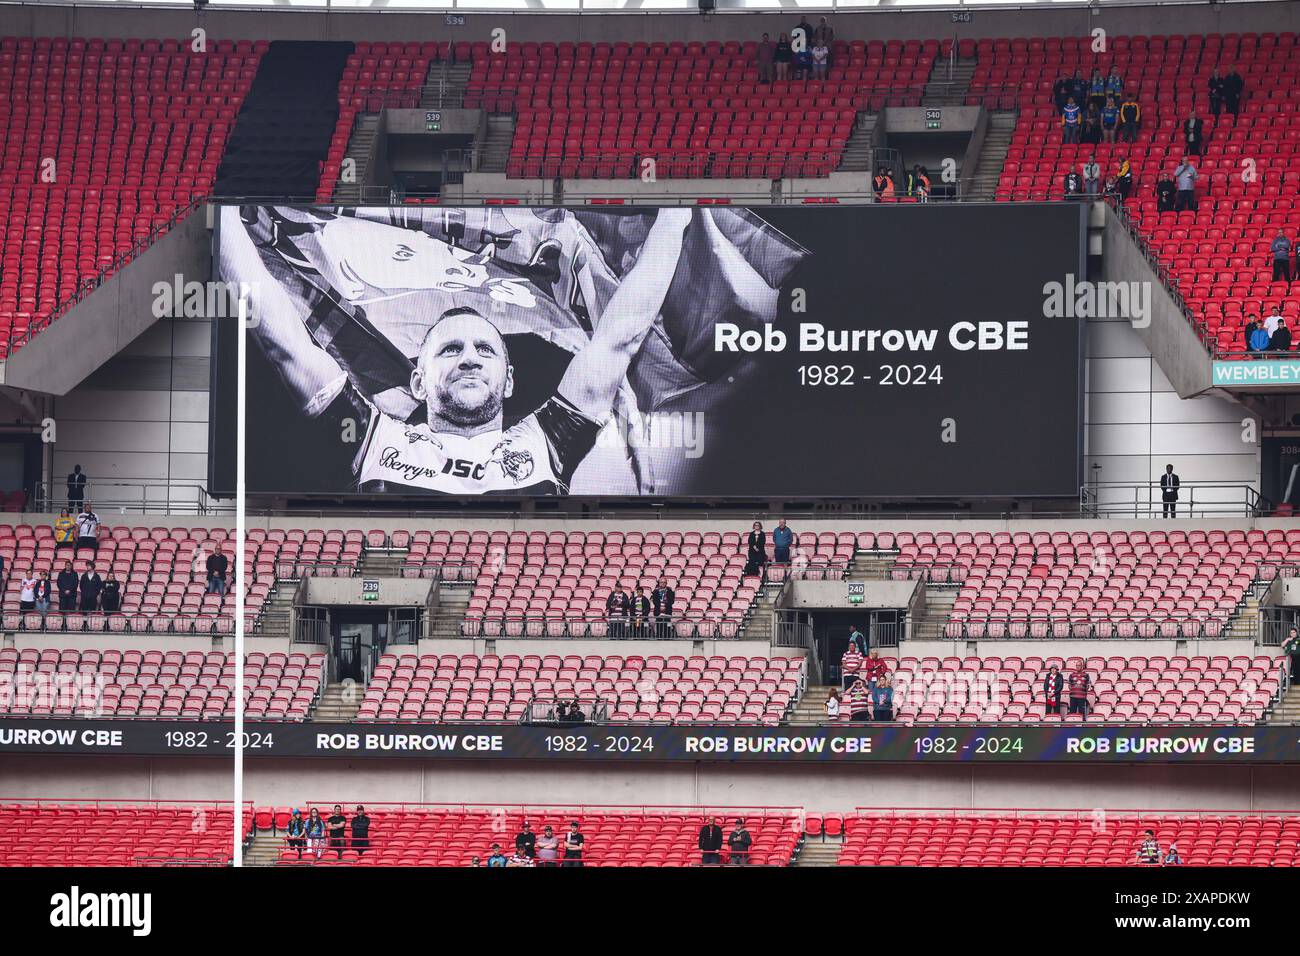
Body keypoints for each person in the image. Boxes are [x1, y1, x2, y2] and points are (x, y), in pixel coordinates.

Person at [232, 206, 694, 497]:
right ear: (418, 380)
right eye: (450, 349)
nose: (469, 357)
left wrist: (675, 219)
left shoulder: (546, 442)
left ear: (509, 379)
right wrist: (226, 215)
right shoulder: (372, 441)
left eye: (485, 350)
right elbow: (280, 337)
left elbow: (622, 334)